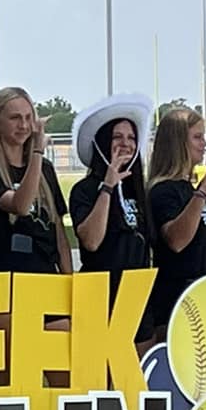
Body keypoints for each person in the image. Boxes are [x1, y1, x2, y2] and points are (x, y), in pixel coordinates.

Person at [144, 106, 206, 343]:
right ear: (177, 142)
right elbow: (177, 241)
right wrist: (201, 194)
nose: (203, 144)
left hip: (205, 297)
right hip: (177, 302)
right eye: (197, 137)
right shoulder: (163, 190)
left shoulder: (188, 188)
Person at [68, 93, 153, 325]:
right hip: (99, 295)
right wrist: (108, 187)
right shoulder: (84, 190)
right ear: (104, 142)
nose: (125, 143)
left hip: (136, 295)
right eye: (117, 137)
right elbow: (91, 241)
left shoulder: (139, 191)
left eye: (131, 137)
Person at [0, 86, 71, 279]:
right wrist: (37, 151)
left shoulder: (45, 168)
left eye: (28, 117)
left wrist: (69, 278)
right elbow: (20, 205)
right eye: (15, 118)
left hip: (47, 277)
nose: (24, 125)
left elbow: (59, 232)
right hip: (6, 280)